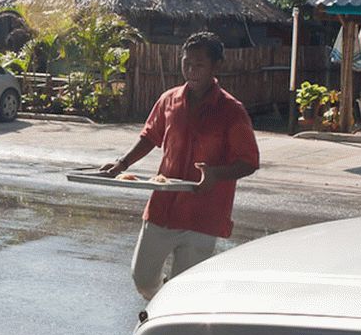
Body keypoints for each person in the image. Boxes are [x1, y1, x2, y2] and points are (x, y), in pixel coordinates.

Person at [102, 32, 260, 300]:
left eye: (199, 64)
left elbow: (249, 162)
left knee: (183, 291)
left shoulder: (232, 111)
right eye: (187, 63)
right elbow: (149, 137)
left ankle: (166, 316)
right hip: (162, 209)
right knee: (142, 278)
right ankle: (161, 301)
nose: (191, 70)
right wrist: (121, 163)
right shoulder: (169, 99)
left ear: (216, 66)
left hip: (204, 215)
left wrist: (216, 174)